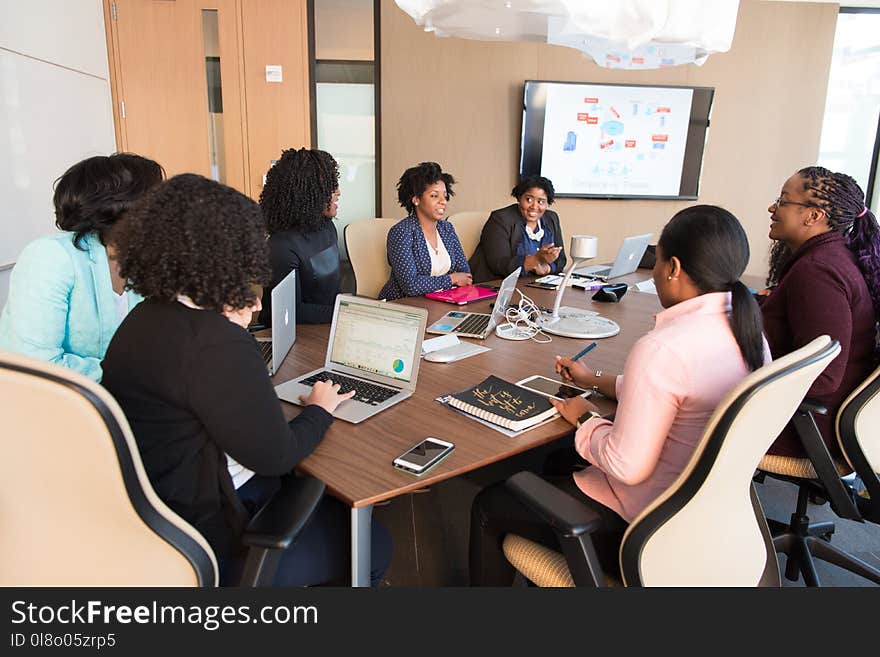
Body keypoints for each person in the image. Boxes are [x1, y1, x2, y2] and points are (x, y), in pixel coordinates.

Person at [101, 174, 392, 587]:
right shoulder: (214, 342)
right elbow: (276, 456)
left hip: (158, 516)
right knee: (374, 546)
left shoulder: (142, 319)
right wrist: (319, 409)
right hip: (216, 535)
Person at [469, 205, 768, 584]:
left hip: (644, 531)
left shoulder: (663, 348)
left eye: (658, 262)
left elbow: (626, 465)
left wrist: (584, 416)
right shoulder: (748, 332)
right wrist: (593, 379)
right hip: (707, 519)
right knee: (557, 462)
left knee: (488, 504)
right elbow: (673, 393)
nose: (657, 271)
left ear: (673, 268)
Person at [0, 153, 163, 381]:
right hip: (53, 402)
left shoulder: (145, 258)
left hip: (122, 395)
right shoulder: (51, 257)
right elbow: (36, 364)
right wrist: (131, 373)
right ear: (120, 208)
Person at [760, 166, 880, 459]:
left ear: (813, 216)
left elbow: (823, 376)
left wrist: (742, 384)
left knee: (682, 411)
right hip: (820, 419)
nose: (772, 207)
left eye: (784, 200)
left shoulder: (818, 272)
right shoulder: (831, 256)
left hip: (809, 429)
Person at [258, 147, 342, 326]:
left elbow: (331, 292)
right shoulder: (282, 246)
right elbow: (291, 311)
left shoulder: (327, 227)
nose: (338, 192)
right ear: (306, 193)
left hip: (326, 325)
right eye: (329, 187)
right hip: (291, 332)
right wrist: (344, 313)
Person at [378, 161, 472, 300]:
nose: (443, 201)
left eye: (445, 195)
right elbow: (411, 285)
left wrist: (454, 281)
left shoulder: (447, 228)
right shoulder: (401, 232)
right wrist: (451, 279)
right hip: (405, 306)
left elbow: (465, 275)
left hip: (441, 301)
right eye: (434, 195)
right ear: (416, 199)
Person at [468, 175, 566, 283]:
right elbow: (498, 265)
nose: (534, 206)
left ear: (548, 203)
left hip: (535, 284)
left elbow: (561, 260)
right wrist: (536, 260)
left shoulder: (551, 218)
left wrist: (547, 268)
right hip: (496, 286)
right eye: (529, 199)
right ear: (519, 197)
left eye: (541, 201)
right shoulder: (500, 219)